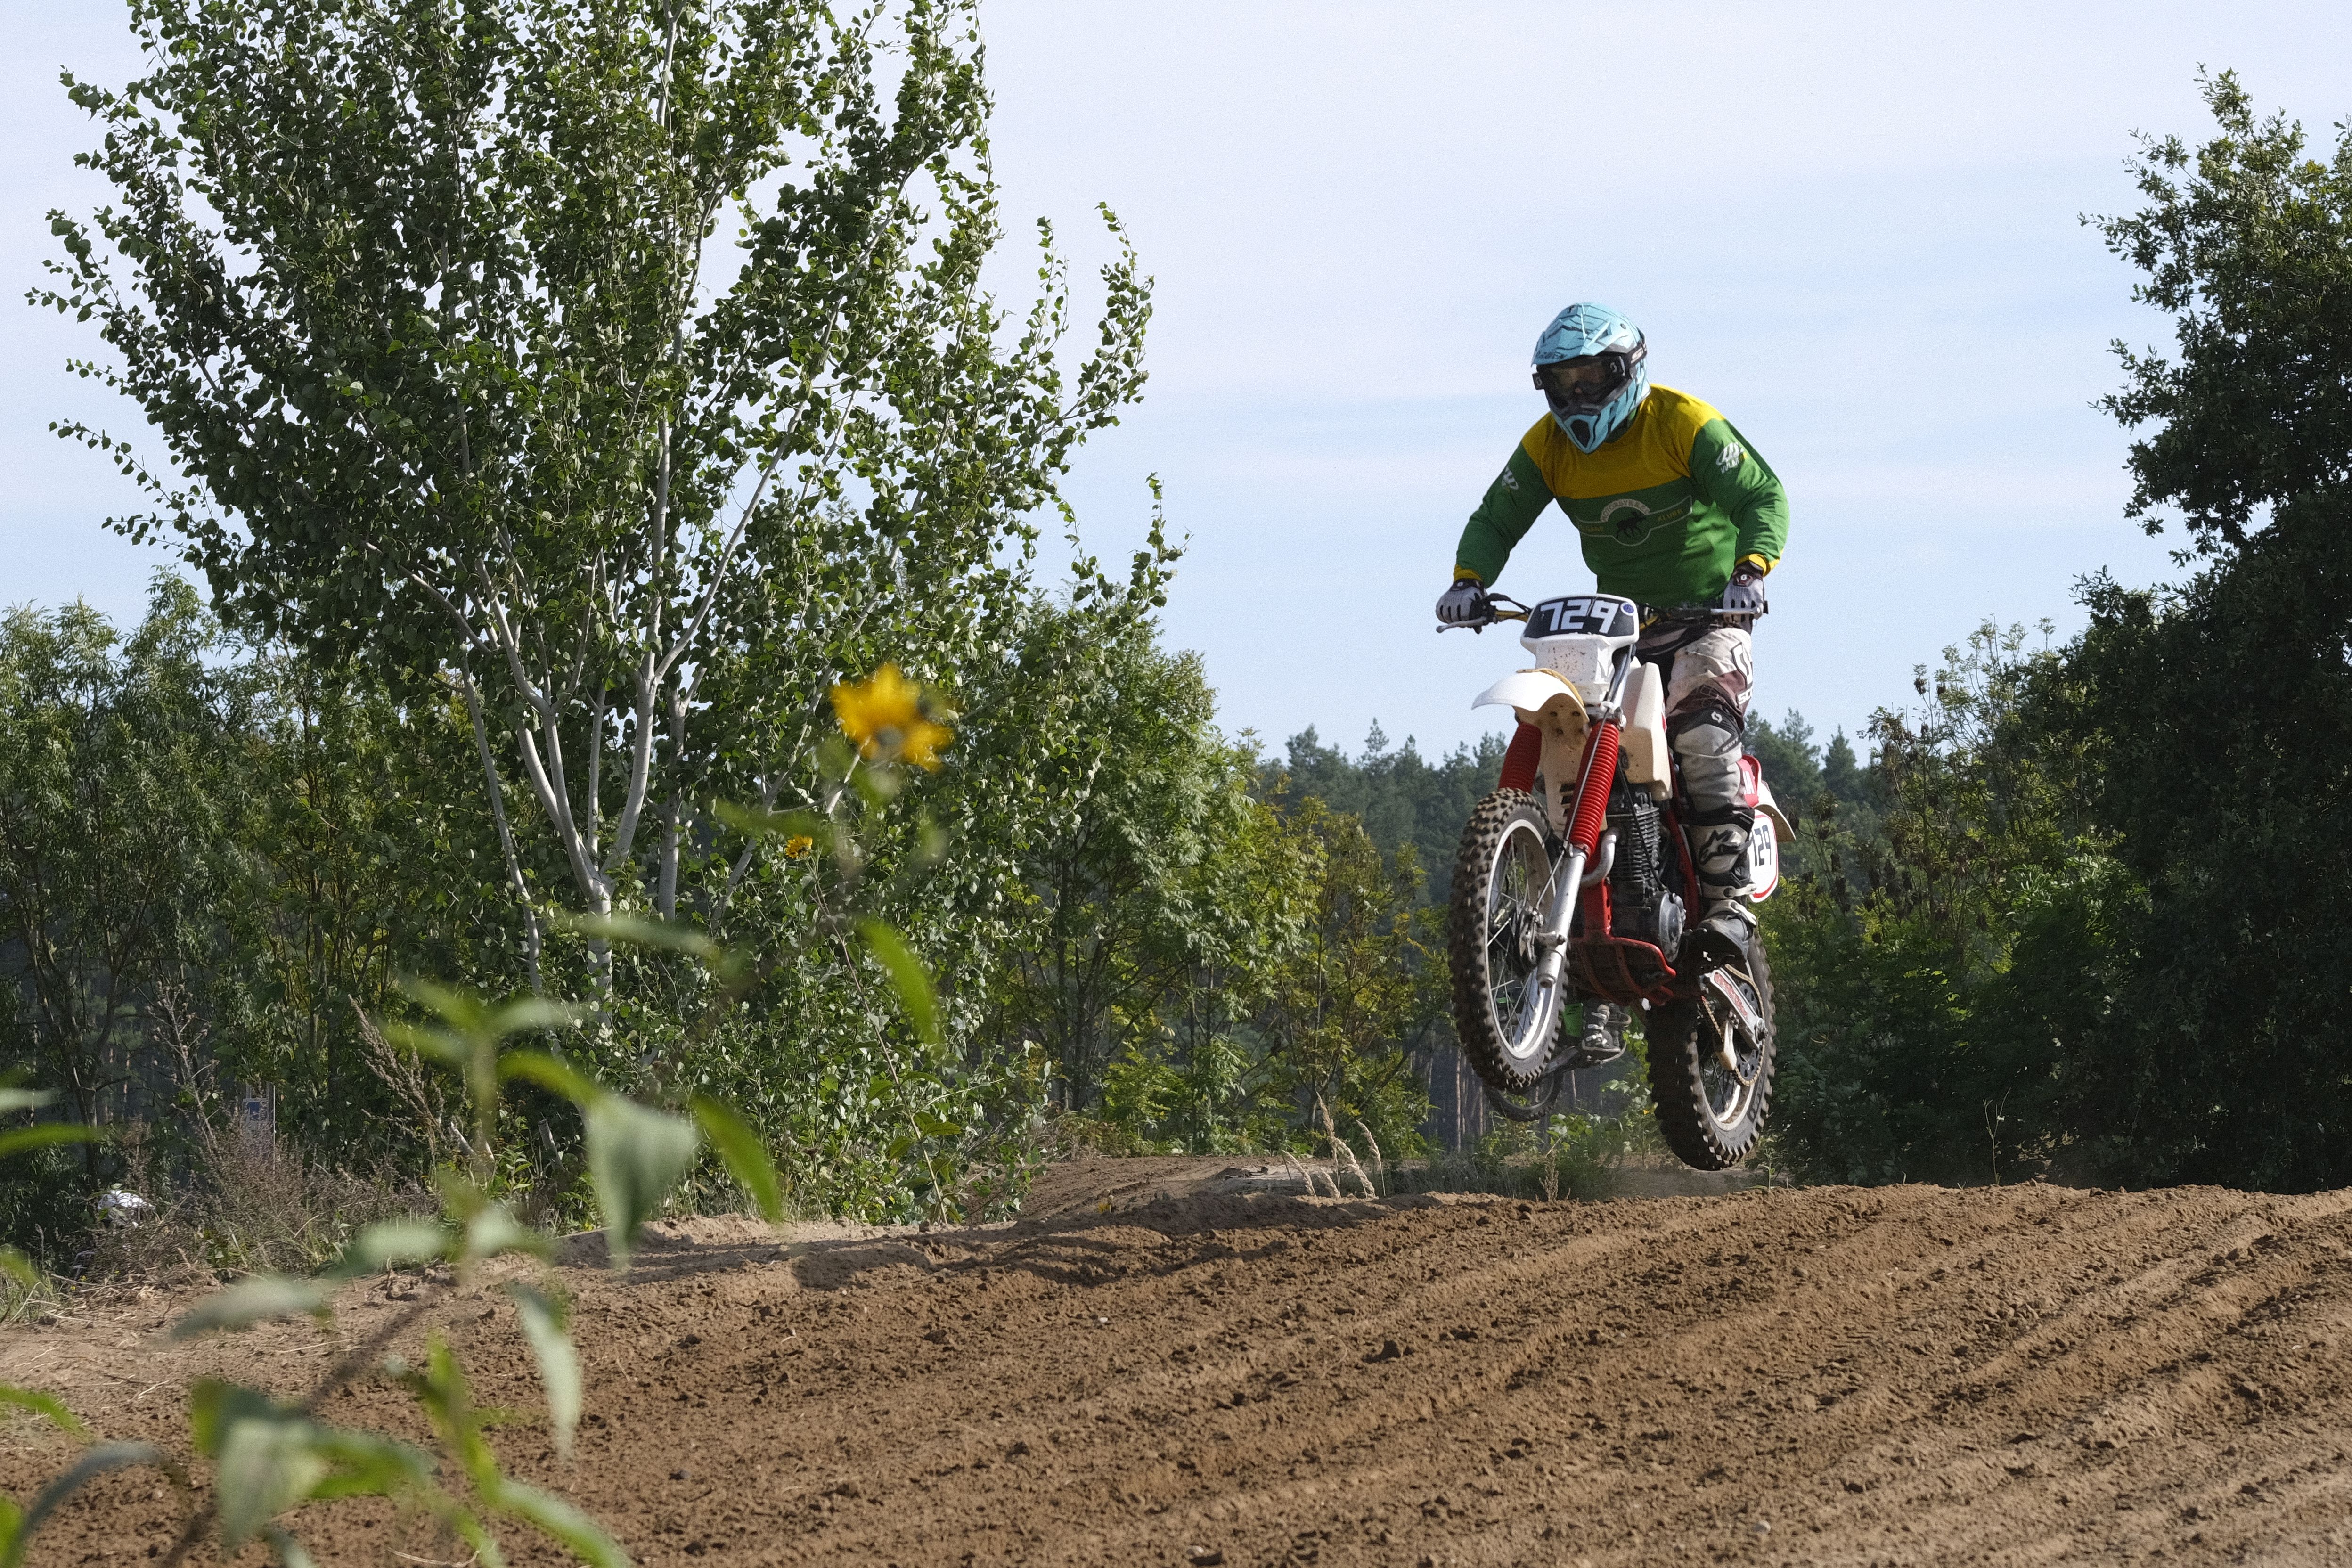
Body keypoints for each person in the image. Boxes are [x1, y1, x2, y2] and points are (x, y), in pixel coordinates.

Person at [1436, 302, 1789, 1065]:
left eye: (1591, 377)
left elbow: (1763, 496)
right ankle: (1586, 955)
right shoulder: (1549, 446)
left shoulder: (1682, 423)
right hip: (1620, 627)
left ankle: (1727, 906)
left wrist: (1752, 570)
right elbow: (1497, 517)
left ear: (1626, 370)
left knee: (1699, 732)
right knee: (1575, 750)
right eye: (1562, 383)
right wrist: (1470, 581)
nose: (1578, 396)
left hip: (1709, 617)